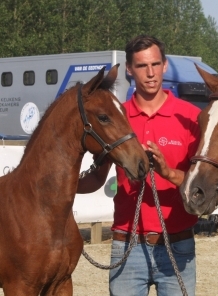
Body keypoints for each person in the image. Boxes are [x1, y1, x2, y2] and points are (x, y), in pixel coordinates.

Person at [77, 35, 200, 296]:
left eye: (156, 64)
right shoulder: (115, 117)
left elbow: (200, 186)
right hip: (127, 245)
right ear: (130, 69)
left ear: (165, 65)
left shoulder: (190, 116)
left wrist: (167, 172)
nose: (151, 73)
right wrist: (60, 188)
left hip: (177, 244)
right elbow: (97, 179)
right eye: (142, 66)